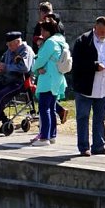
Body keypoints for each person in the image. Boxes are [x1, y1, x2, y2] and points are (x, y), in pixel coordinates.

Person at [71, 15, 105, 156]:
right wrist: (95, 66)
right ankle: (83, 147)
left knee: (100, 117)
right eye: (101, 32)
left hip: (103, 87)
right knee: (83, 117)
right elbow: (77, 62)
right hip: (85, 87)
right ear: (95, 28)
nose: (104, 35)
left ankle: (99, 146)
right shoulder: (83, 41)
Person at [31, 18, 67, 146]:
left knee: (44, 108)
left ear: (48, 31)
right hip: (57, 78)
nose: (41, 33)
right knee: (51, 108)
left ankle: (44, 137)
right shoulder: (61, 41)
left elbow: (40, 59)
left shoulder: (50, 42)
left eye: (43, 30)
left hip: (48, 78)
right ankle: (52, 135)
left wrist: (34, 68)